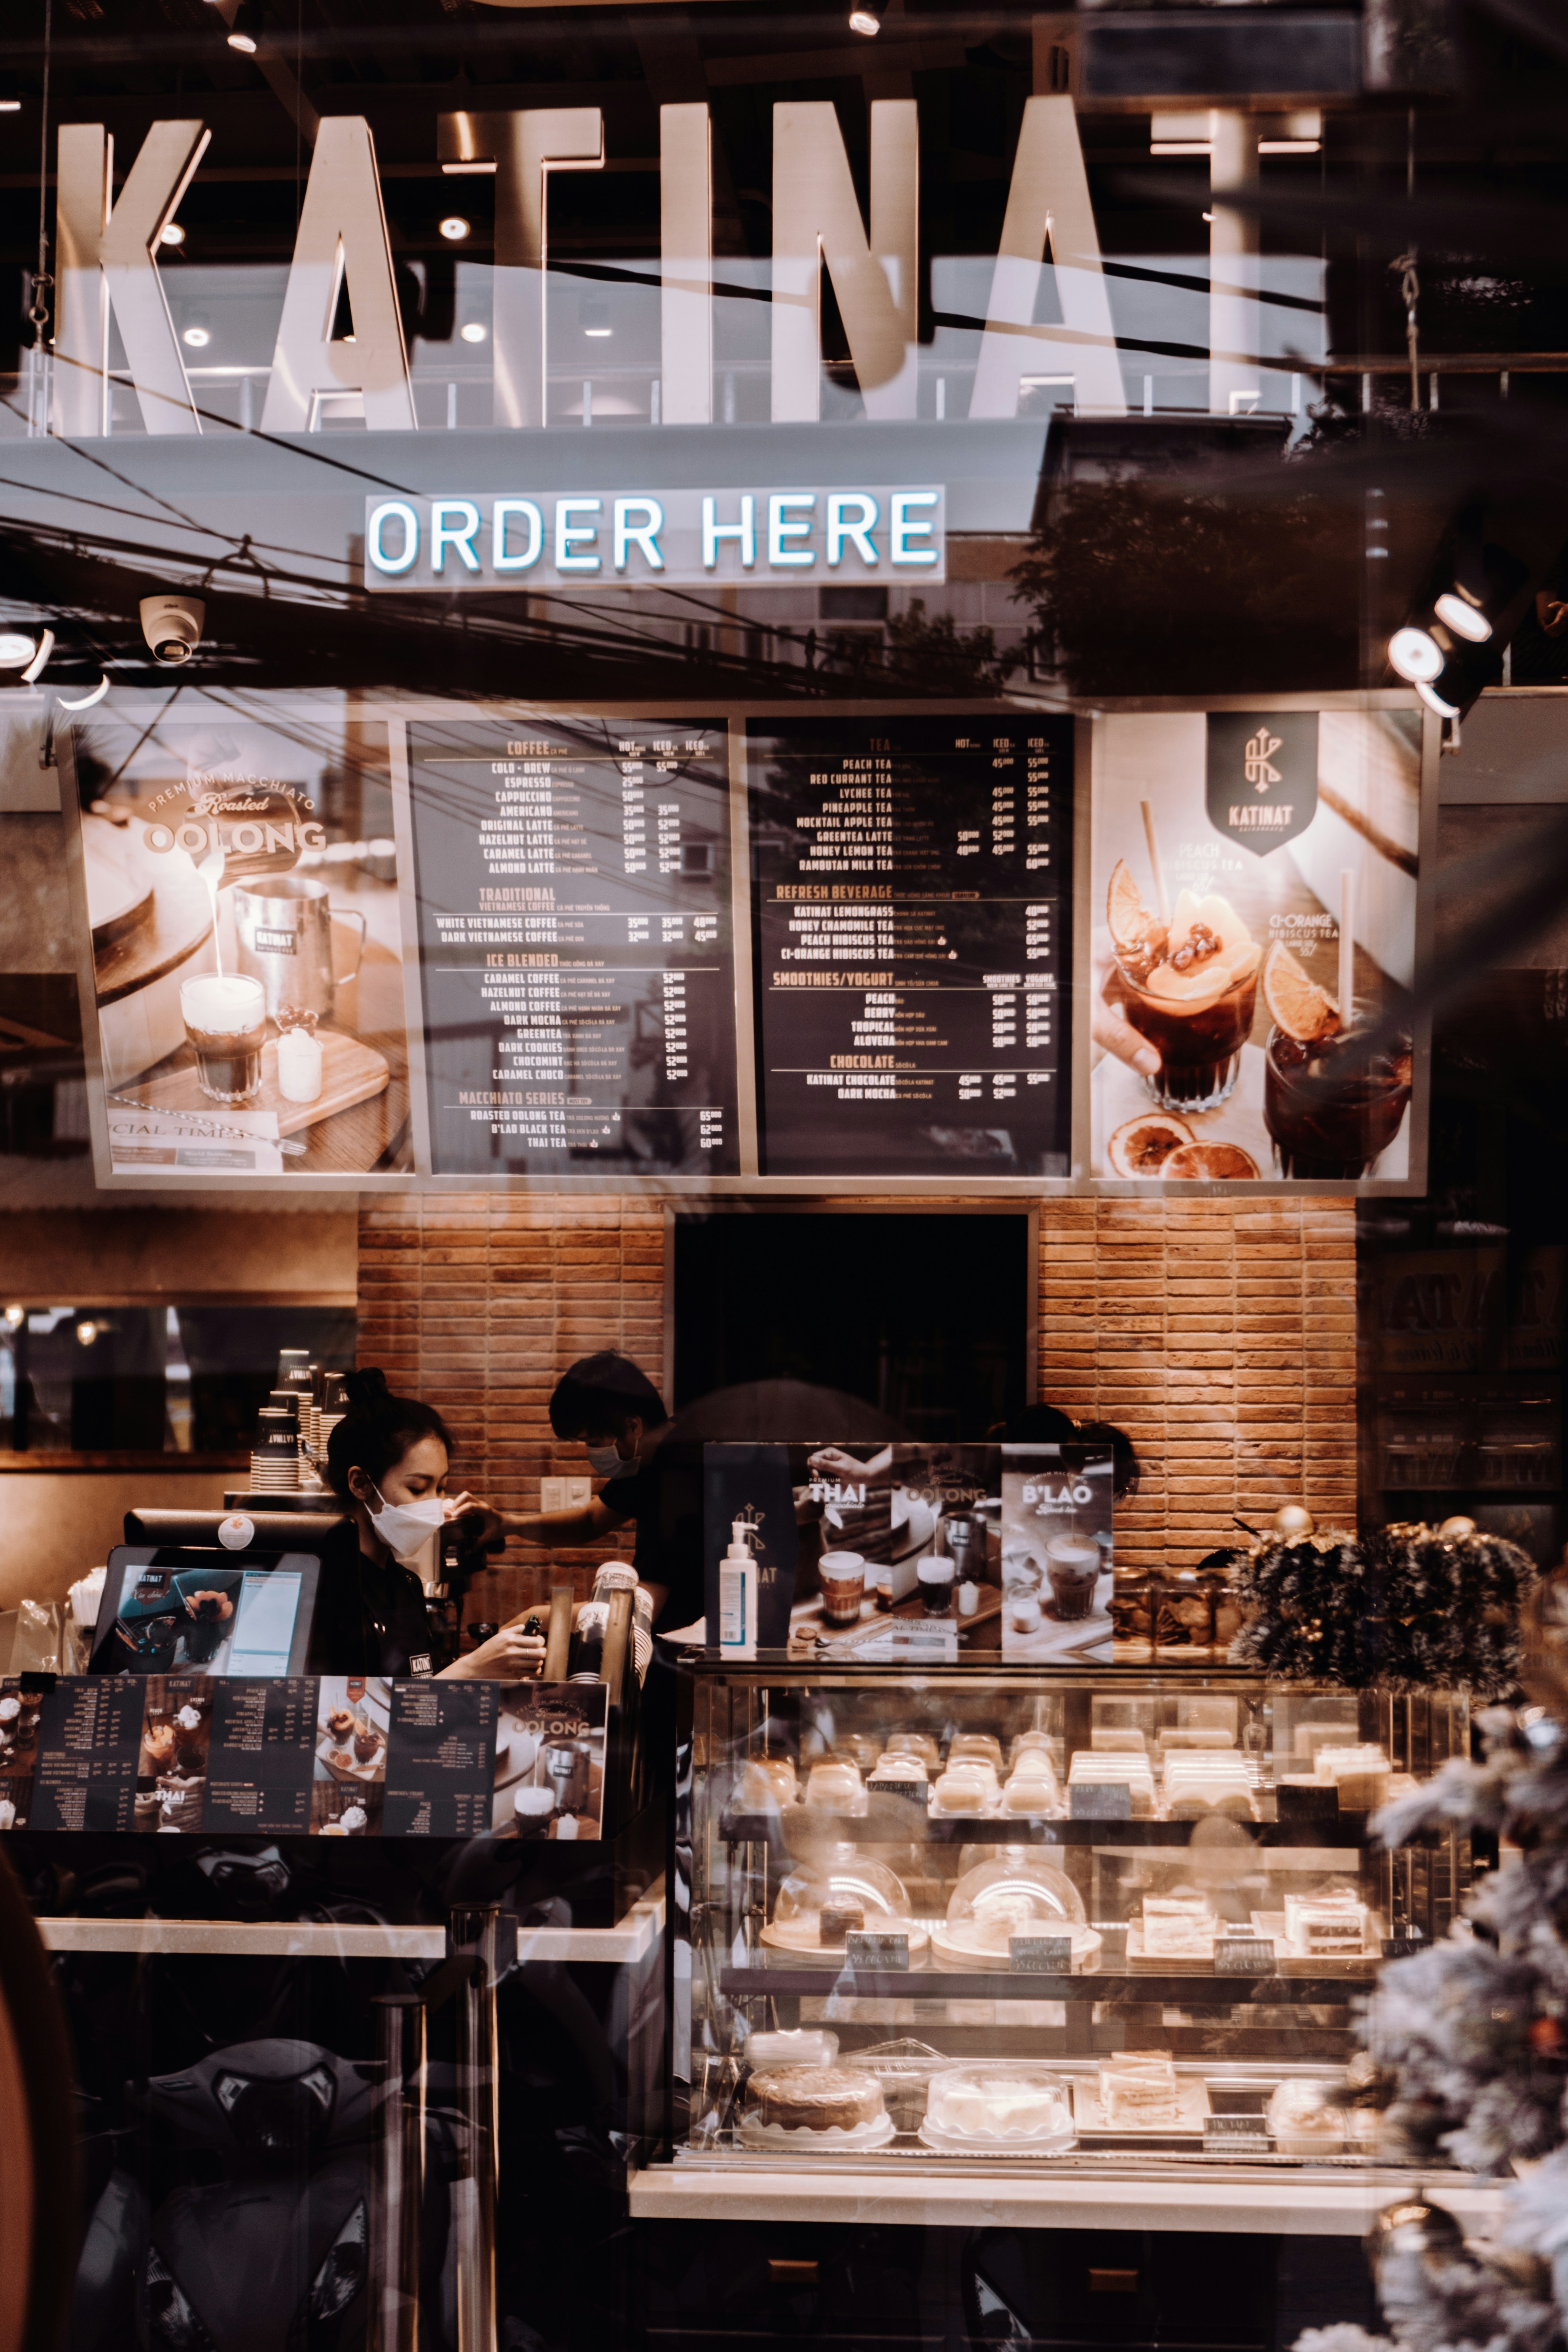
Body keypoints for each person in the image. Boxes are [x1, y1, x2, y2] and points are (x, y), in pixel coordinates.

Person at [312, 1368, 545, 1680]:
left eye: (441, 1487)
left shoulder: (405, 1583)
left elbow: (423, 1701)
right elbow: (347, 1715)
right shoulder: (325, 1587)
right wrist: (473, 1668)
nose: (435, 1505)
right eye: (418, 1488)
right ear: (361, 1483)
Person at [472, 1352, 705, 1636]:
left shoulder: (681, 1473)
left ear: (633, 1426)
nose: (591, 1454)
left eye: (593, 1442)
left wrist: (533, 1619)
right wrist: (508, 1524)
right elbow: (591, 1520)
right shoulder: (652, 1461)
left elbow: (642, 1608)